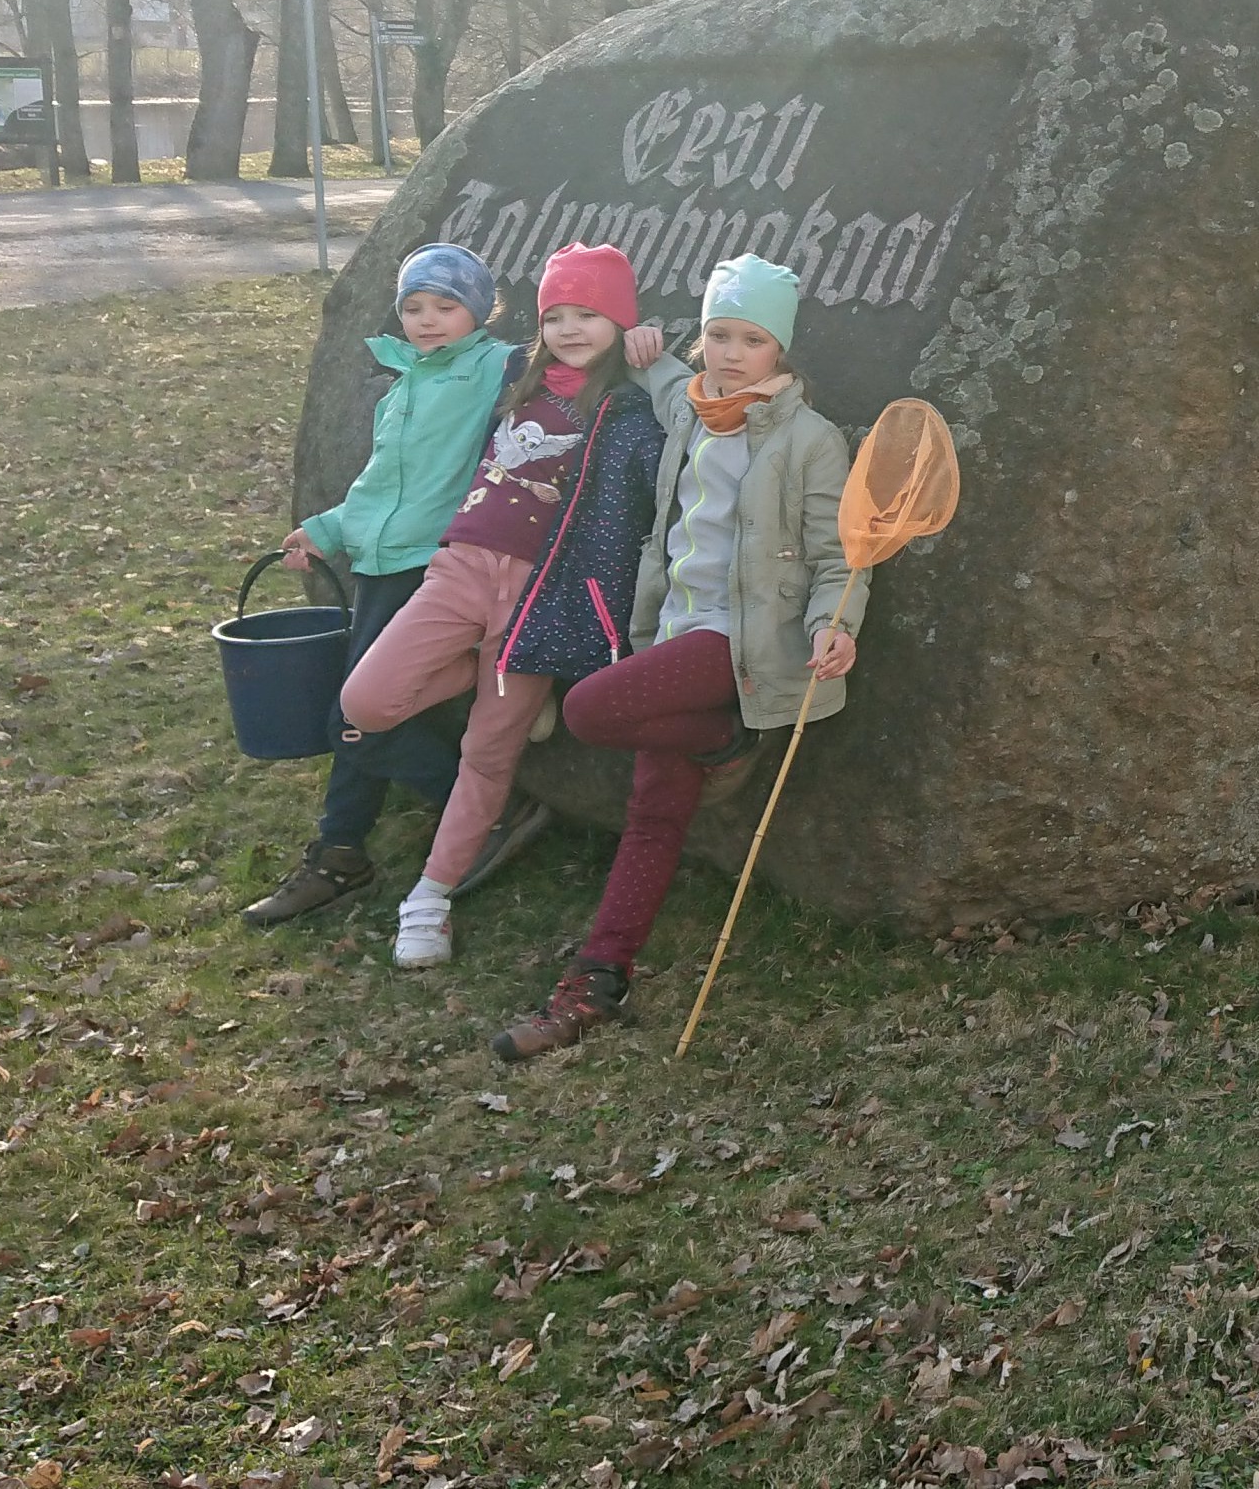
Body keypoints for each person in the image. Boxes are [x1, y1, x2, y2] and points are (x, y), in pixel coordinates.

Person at [493, 255, 869, 1062]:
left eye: (752, 340)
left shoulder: (809, 438)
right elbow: (653, 365)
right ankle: (598, 980)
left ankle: (725, 736)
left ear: (780, 349)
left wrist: (833, 624)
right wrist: (644, 343)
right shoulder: (690, 407)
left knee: (590, 707)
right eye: (719, 335)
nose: (733, 354)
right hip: (673, 630)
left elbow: (839, 550)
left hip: (745, 640)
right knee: (653, 815)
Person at [333, 244, 690, 969]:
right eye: (555, 316)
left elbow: (677, 442)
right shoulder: (510, 378)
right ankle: (488, 673)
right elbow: (450, 348)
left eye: (588, 315)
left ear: (619, 322)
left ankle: (430, 897)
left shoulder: (629, 402)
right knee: (365, 702)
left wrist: (653, 354)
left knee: (488, 752)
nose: (569, 329)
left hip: (542, 598)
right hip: (462, 567)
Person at [240, 244, 511, 928]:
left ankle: (469, 811)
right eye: (414, 307)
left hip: (431, 565)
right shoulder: (403, 385)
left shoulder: (489, 367)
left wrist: (636, 339)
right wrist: (325, 530)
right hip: (378, 567)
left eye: (446, 306)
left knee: (352, 720)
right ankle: (343, 850)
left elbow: (571, 357)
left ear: (480, 313)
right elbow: (381, 485)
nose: (428, 320)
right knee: (363, 716)